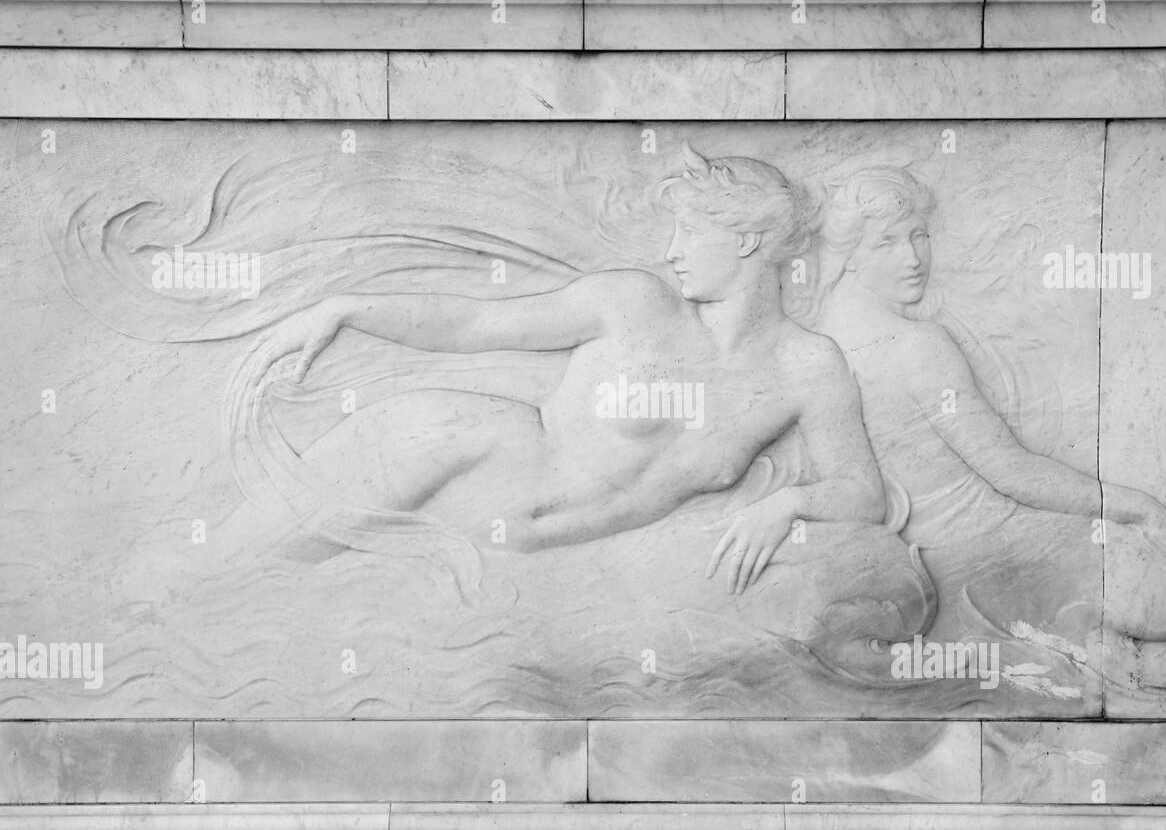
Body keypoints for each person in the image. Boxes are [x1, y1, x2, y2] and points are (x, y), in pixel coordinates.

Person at [211, 145, 890, 600]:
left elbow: (864, 491)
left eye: (688, 232)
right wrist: (345, 309)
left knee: (272, 599)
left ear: (744, 240)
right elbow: (472, 326)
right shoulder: (634, 302)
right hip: (449, 451)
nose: (670, 250)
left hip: (525, 563)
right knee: (228, 575)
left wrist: (790, 503)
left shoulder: (807, 365)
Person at [798, 165, 1166, 689]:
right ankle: (1084, 638)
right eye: (886, 242)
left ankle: (1078, 639)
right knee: (1157, 583)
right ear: (847, 255)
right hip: (988, 548)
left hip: (924, 575)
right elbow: (1010, 471)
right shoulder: (917, 346)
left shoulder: (810, 350)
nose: (912, 258)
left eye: (919, 235)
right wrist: (1141, 505)